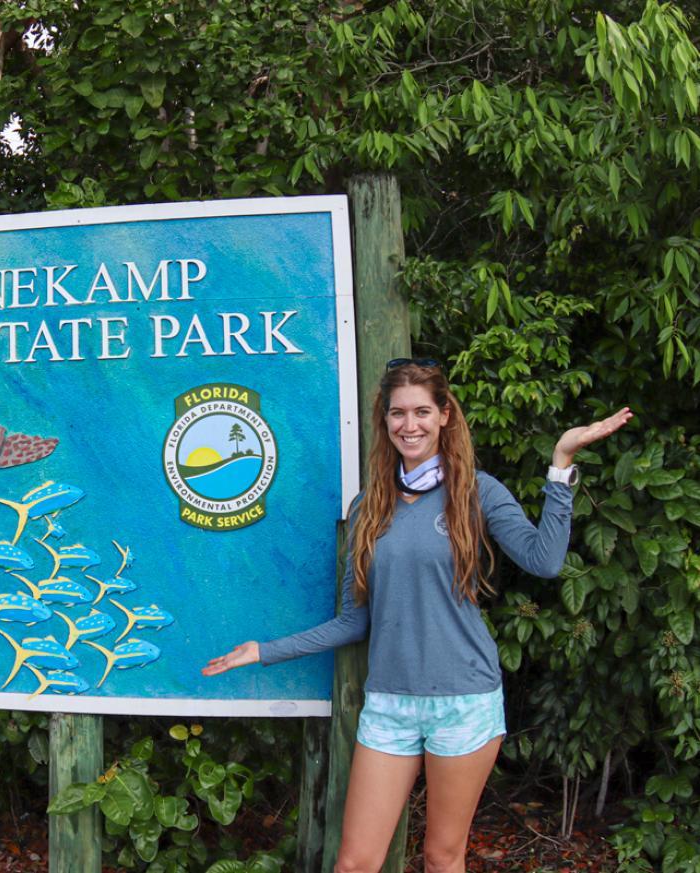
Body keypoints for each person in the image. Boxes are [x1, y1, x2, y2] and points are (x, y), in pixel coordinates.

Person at [202, 360, 632, 873]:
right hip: (388, 709)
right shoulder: (369, 507)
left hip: (464, 704)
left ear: (445, 415)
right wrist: (264, 650)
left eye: (423, 411)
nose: (411, 425)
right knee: (355, 863)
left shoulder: (477, 490)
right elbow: (353, 622)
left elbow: (545, 560)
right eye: (398, 413)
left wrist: (561, 464)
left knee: (441, 858)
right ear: (384, 422)